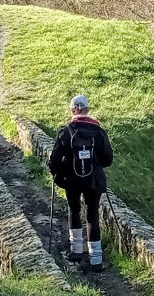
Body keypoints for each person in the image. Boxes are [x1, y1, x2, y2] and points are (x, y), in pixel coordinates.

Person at [49, 94, 114, 271]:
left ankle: (76, 250)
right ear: (87, 110)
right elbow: (108, 159)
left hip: (71, 179)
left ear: (72, 111)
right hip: (93, 179)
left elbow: (54, 159)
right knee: (92, 215)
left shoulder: (66, 131)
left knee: (74, 209)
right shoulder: (99, 132)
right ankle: (96, 259)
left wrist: (56, 172)